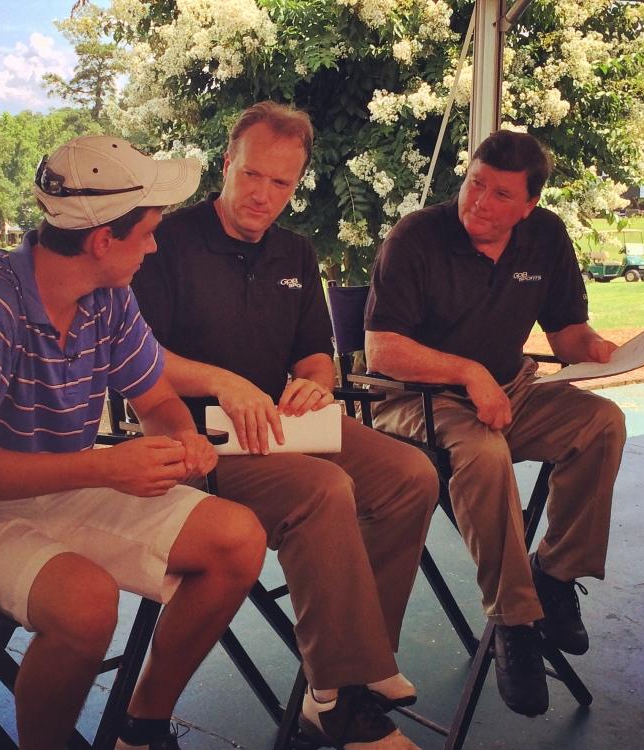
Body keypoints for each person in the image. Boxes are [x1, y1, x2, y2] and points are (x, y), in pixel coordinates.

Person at [0, 134, 267, 750]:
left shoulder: (109, 298)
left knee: (238, 539)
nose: (154, 245)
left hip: (55, 487)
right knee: (87, 604)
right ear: (102, 240)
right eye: (147, 232)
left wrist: (182, 442)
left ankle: (140, 726)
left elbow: (155, 398)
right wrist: (101, 469)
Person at [131, 101, 438, 750]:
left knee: (411, 474)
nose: (263, 195)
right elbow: (136, 357)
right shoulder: (167, 242)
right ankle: (344, 703)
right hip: (195, 434)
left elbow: (316, 355)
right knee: (324, 489)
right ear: (227, 165)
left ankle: (353, 675)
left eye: (282, 184)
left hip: (282, 423)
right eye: (253, 176)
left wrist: (315, 383)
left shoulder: (296, 251)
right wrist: (221, 381)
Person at [364, 129, 627, 718]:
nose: (479, 203)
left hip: (510, 391)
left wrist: (600, 347)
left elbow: (566, 333)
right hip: (417, 397)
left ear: (529, 205)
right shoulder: (416, 237)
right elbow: (381, 350)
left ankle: (556, 573)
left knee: (602, 423)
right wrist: (467, 373)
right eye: (474, 184)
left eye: (501, 195)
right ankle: (514, 620)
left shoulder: (547, 236)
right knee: (483, 454)